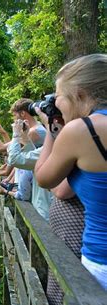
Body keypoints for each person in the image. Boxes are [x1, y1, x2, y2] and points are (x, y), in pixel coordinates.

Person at [35, 54, 107, 290]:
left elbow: (44, 178)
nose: (56, 104)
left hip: (101, 262)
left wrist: (51, 131)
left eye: (59, 97)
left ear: (80, 94)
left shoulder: (83, 130)